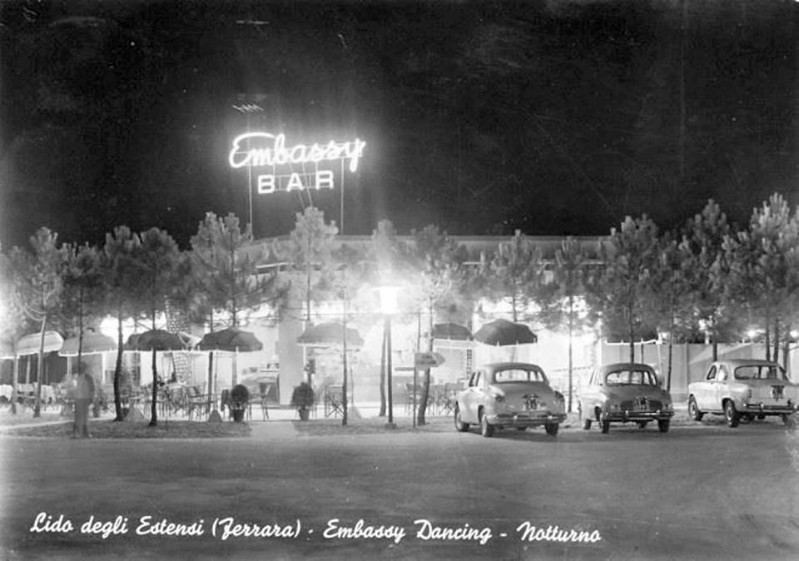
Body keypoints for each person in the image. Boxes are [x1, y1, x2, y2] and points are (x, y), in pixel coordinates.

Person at [73, 371, 95, 438]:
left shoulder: (88, 377)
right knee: (79, 416)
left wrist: (91, 397)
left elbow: (92, 388)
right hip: (79, 398)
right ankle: (78, 432)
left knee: (84, 416)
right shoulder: (76, 377)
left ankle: (84, 432)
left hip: (84, 398)